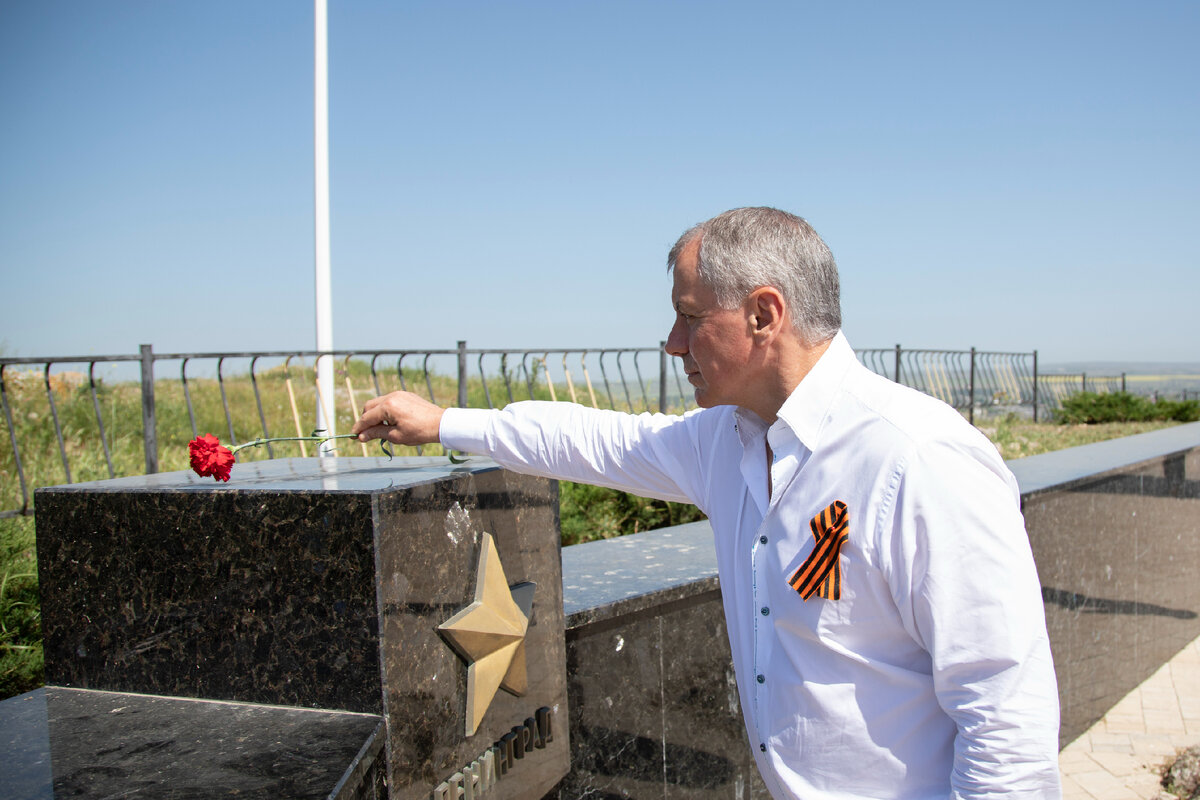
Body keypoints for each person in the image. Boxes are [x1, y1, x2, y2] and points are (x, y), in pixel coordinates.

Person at [352, 207, 1063, 799]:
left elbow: (1006, 715)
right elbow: (592, 440)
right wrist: (442, 423)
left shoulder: (919, 460)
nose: (671, 344)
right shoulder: (726, 441)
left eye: (690, 317)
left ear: (764, 314)